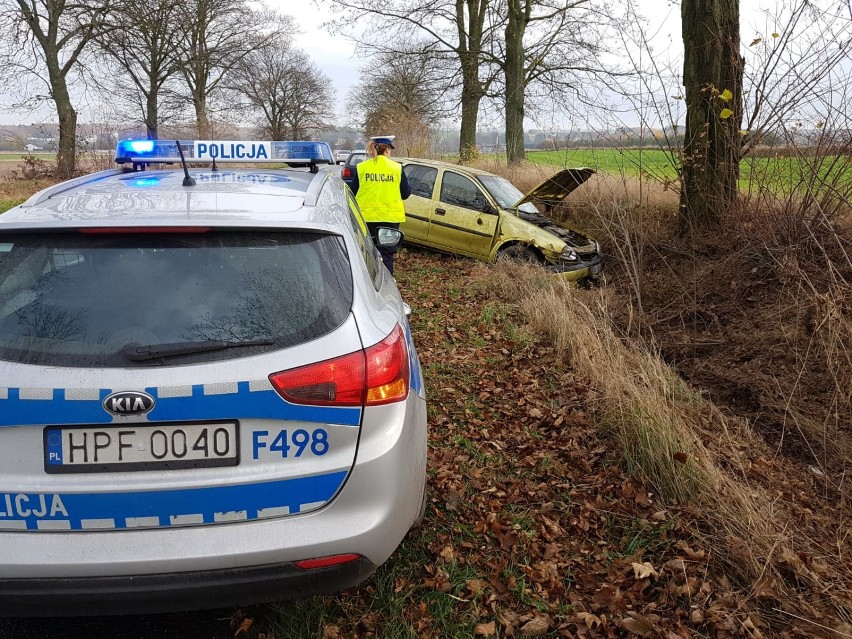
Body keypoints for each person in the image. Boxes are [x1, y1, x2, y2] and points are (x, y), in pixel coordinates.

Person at [349, 135, 410, 274]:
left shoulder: (362, 168)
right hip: (390, 219)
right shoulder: (396, 168)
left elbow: (352, 192)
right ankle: (386, 287)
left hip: (366, 219)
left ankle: (367, 286)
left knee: (366, 253)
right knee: (386, 254)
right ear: (387, 150)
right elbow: (405, 193)